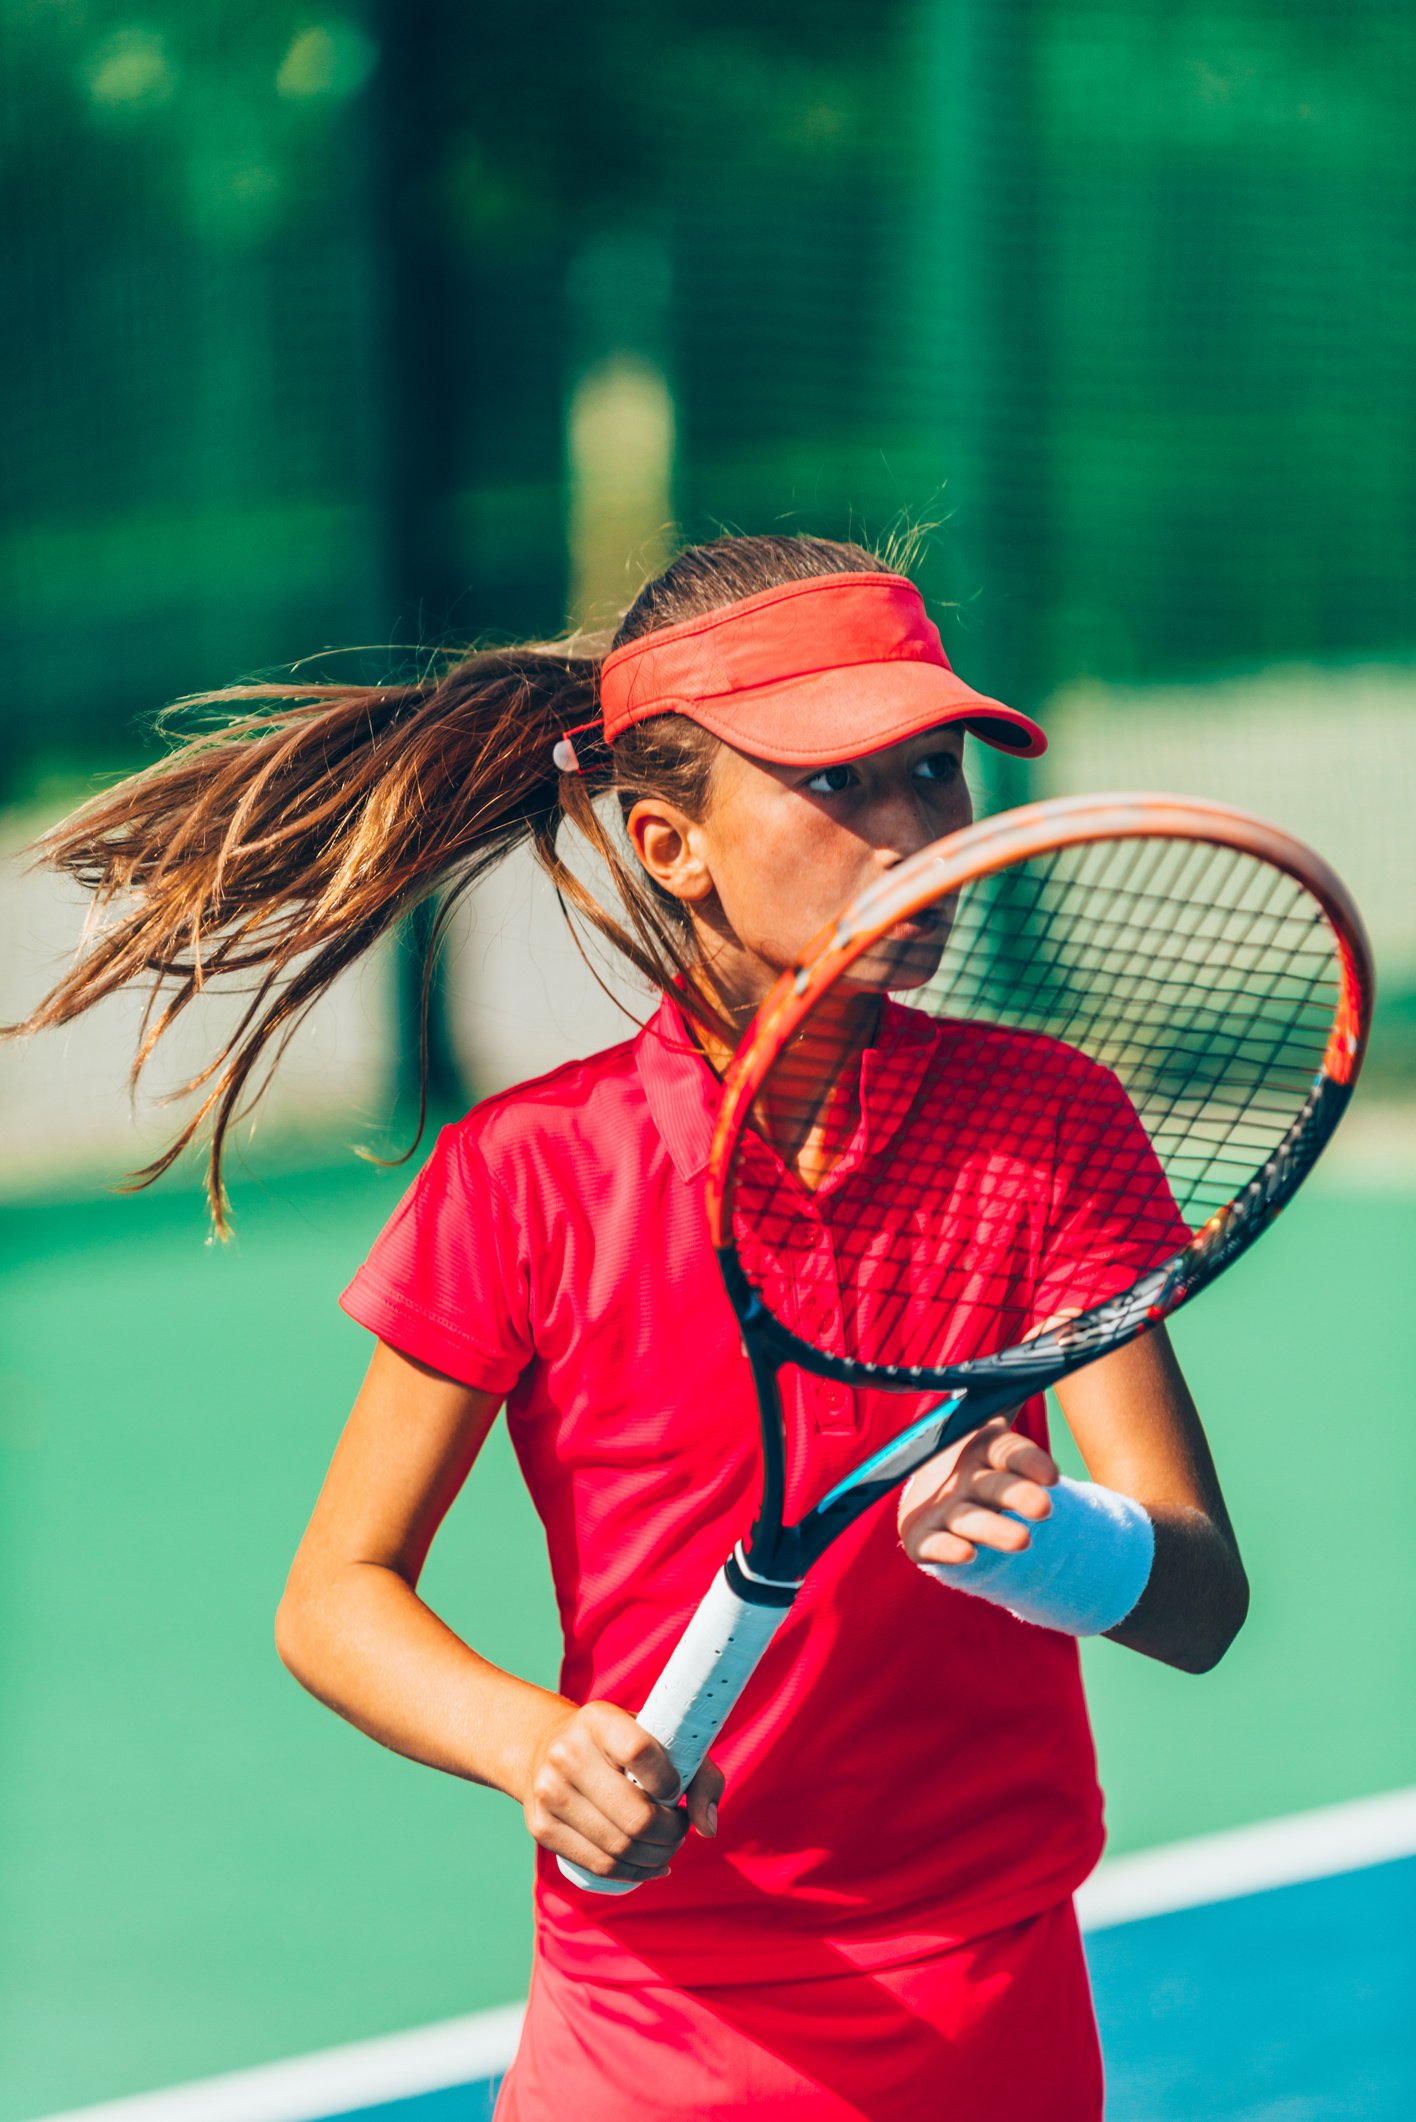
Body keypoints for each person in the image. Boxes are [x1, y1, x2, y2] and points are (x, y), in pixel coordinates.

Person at [8, 532, 1248, 2119]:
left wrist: (1059, 1543)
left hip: (993, 2016)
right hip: (648, 2035)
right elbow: (335, 1595)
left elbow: (1199, 1597)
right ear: (674, 841)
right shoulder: (521, 1178)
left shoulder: (1051, 1123)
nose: (920, 829)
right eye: (844, 784)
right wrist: (537, 1745)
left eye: (934, 771)